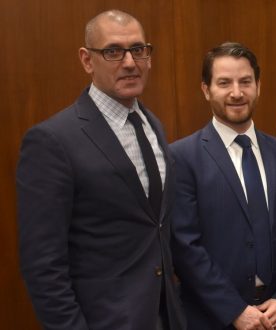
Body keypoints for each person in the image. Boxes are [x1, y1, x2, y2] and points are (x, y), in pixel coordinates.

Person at [16, 9, 185, 330]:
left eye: (138, 50)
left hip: (166, 317)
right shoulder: (52, 141)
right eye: (113, 51)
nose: (130, 62)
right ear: (86, 60)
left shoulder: (153, 125)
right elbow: (43, 265)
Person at [170, 42, 276, 330]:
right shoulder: (182, 157)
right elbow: (186, 246)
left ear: (258, 86)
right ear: (206, 89)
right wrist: (234, 310)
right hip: (211, 318)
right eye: (224, 83)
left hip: (275, 317)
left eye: (245, 81)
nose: (237, 92)